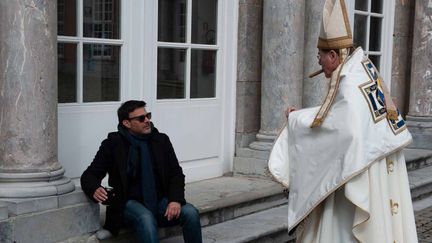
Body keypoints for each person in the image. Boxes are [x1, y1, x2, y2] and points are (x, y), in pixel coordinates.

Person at [268, 0, 418, 242]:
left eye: (320, 56)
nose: (318, 62)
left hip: (363, 168)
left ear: (334, 55)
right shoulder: (361, 69)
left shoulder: (348, 81)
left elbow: (340, 129)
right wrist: (304, 115)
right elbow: (340, 115)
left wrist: (295, 119)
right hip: (376, 161)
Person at [81, 100, 202, 243]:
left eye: (148, 116)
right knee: (146, 218)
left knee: (191, 212)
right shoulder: (113, 144)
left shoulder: (161, 140)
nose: (147, 121)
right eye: (141, 118)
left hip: (159, 201)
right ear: (126, 123)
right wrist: (94, 188)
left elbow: (176, 173)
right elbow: (89, 175)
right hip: (127, 204)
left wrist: (175, 199)